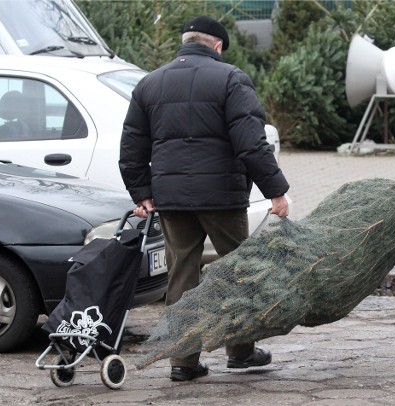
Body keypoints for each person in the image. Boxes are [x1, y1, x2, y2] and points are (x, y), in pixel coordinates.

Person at [119, 16, 290, 381]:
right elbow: (251, 142)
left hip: (172, 199)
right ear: (217, 46)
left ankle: (182, 361)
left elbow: (132, 145)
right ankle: (241, 352)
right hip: (222, 198)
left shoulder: (150, 83)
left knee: (181, 273)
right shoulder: (230, 78)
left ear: (186, 42)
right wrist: (275, 190)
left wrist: (143, 193)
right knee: (238, 271)